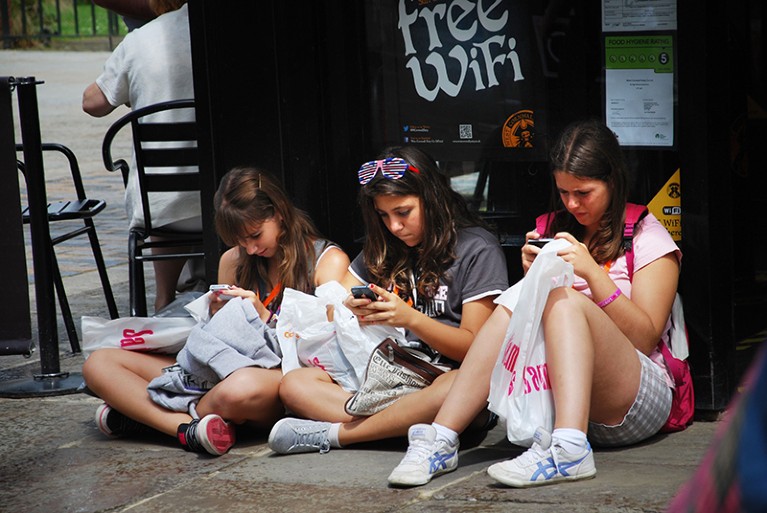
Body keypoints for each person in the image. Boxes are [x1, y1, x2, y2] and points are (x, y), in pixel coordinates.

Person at [386, 118, 682, 488]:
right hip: (554, 402)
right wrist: (531, 276)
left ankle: (571, 452)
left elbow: (645, 338)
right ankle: (441, 440)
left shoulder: (647, 235)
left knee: (564, 300)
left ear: (613, 181)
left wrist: (593, 274)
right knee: (522, 296)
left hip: (635, 402)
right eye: (564, 192)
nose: (573, 204)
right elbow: (526, 329)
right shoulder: (551, 226)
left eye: (584, 192)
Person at [82, 167, 350, 456]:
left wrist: (266, 318)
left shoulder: (327, 261)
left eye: (255, 235)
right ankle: (189, 427)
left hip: (275, 374)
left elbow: (331, 346)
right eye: (240, 240)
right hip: (216, 369)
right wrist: (215, 315)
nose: (250, 248)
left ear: (279, 212)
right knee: (100, 363)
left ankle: (145, 418)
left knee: (240, 388)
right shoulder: (234, 260)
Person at [266, 145, 509, 454]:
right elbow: (335, 302)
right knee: (294, 385)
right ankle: (397, 425)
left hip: (445, 379)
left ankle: (338, 435)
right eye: (383, 215)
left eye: (403, 212)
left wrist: (409, 319)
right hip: (385, 375)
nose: (394, 226)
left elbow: (475, 349)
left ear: (431, 198)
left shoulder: (477, 248)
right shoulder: (385, 246)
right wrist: (351, 308)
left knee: (456, 387)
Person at [82, 0, 199, 313]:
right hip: (227, 203)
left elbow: (92, 103)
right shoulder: (227, 36)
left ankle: (164, 298)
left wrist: (136, 88)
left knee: (168, 198)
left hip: (159, 207)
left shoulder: (141, 40)